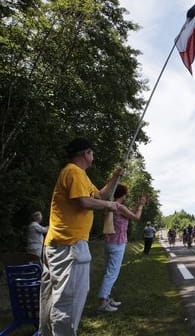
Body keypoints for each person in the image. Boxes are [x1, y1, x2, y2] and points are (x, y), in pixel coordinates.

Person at [39, 137, 123, 336]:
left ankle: (47, 333)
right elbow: (83, 202)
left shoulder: (80, 175)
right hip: (70, 246)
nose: (93, 157)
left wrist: (115, 177)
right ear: (86, 153)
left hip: (62, 244)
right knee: (69, 300)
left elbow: (100, 196)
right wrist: (110, 206)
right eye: (92, 153)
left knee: (53, 298)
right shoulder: (73, 172)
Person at [97, 184, 147, 312]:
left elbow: (128, 213)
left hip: (109, 242)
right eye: (126, 194)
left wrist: (137, 206)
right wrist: (141, 205)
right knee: (112, 273)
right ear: (123, 195)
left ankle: (106, 298)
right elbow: (136, 217)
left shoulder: (111, 205)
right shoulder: (120, 207)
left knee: (108, 272)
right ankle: (103, 302)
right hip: (118, 243)